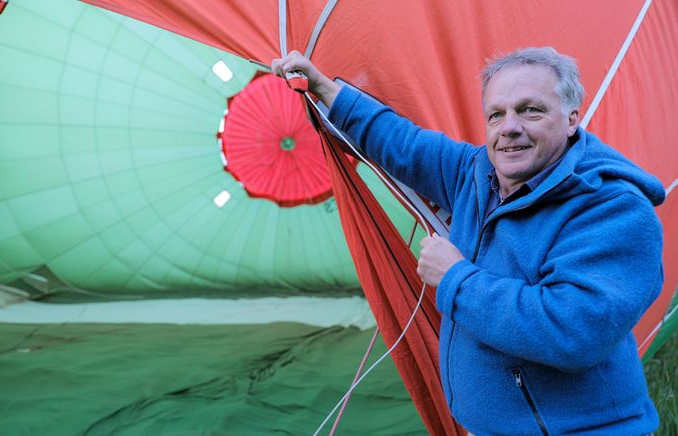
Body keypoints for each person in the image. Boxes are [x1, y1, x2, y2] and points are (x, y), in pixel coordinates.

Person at [272, 47, 664, 435]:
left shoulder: (614, 210)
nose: (509, 127)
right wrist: (324, 89)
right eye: (497, 114)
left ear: (571, 119)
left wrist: (456, 278)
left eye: (530, 110)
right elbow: (403, 144)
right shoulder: (477, 173)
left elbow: (574, 332)